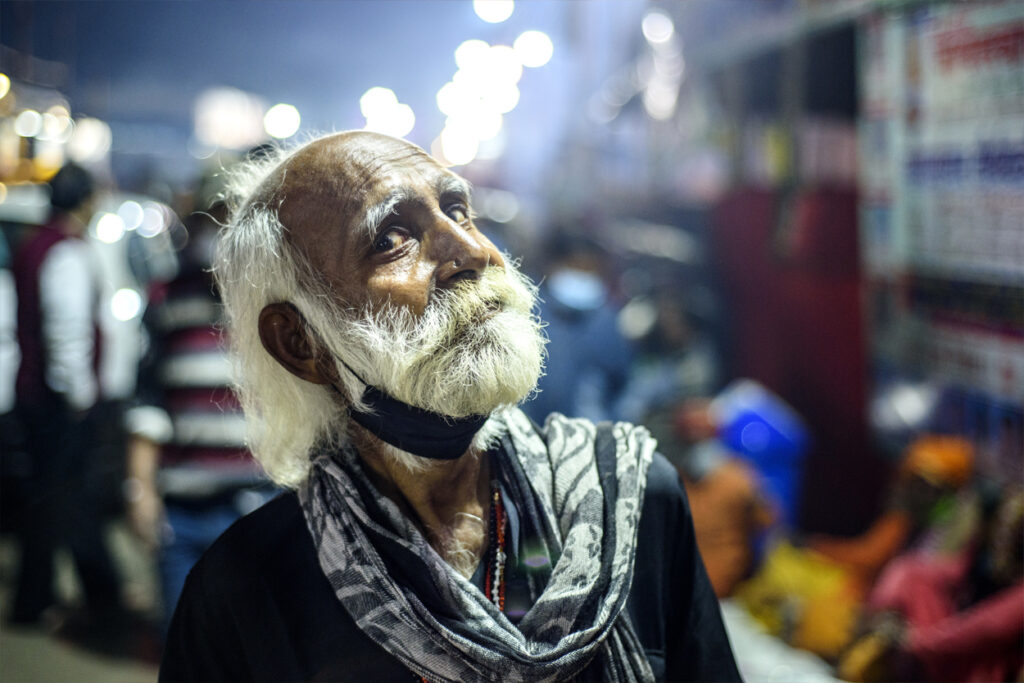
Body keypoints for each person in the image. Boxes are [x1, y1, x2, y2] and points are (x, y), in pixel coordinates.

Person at [160, 132, 740, 683]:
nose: (473, 251)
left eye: (459, 210)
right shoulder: (246, 591)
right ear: (302, 344)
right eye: (391, 238)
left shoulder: (631, 503)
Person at [124, 179, 272, 634]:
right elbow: (148, 402)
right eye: (214, 219)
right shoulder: (168, 298)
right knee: (184, 649)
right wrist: (141, 490)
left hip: (261, 511)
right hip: (183, 515)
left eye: (234, 220)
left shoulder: (279, 304)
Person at [10, 163, 122, 624]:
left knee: (51, 501)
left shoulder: (34, 243)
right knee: (64, 500)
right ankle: (87, 598)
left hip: (37, 394)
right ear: (85, 200)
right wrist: (80, 397)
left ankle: (45, 598)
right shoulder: (67, 252)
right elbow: (67, 332)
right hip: (57, 401)